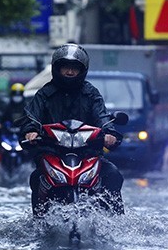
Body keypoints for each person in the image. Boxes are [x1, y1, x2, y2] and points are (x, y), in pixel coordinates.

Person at [20, 43, 124, 215]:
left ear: (82, 70)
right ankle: (39, 223)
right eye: (66, 68)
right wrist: (31, 131)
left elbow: (102, 116)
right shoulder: (44, 94)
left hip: (88, 154)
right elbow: (32, 117)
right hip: (53, 153)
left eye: (74, 68)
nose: (69, 72)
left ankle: (117, 222)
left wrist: (110, 133)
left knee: (113, 175)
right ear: (57, 69)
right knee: (36, 178)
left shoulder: (91, 93)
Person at [0, 83, 27, 160]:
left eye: (19, 94)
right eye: (15, 94)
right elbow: (0, 116)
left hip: (22, 133)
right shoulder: (6, 106)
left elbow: (31, 117)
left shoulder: (27, 107)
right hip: (8, 132)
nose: (17, 96)